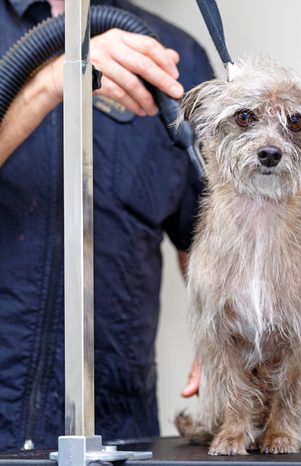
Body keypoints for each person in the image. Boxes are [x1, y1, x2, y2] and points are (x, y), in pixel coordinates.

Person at [0, 0, 210, 452]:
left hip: (119, 433)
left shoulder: (175, 55)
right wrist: (53, 82)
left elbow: (204, 227)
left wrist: (224, 322)